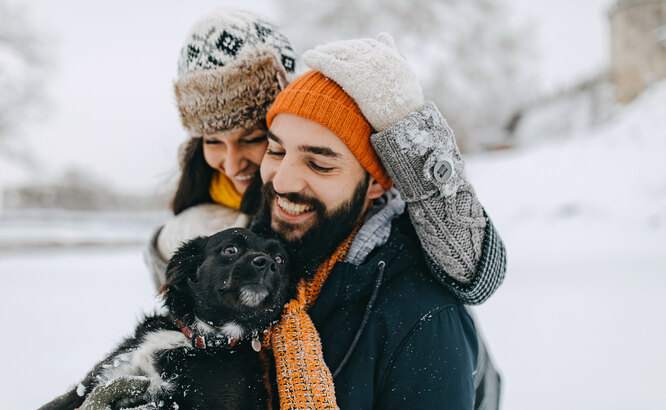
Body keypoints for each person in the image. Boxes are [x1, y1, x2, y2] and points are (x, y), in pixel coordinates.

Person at [89, 7, 504, 409]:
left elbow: (472, 269)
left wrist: (410, 131)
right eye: (275, 148)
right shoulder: (256, 258)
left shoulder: (418, 318)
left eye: (319, 162)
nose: (280, 179)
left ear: (378, 181)